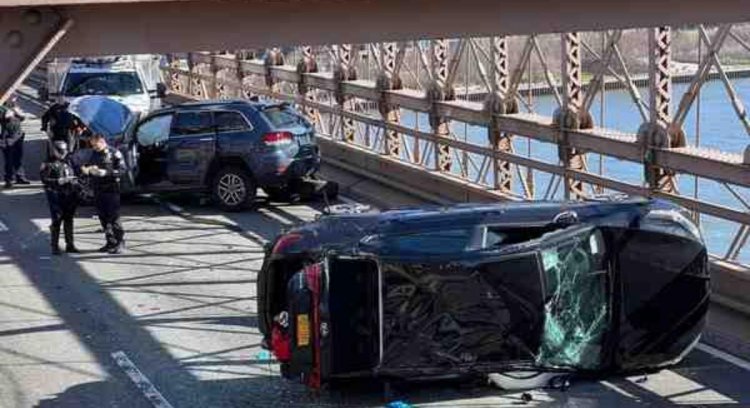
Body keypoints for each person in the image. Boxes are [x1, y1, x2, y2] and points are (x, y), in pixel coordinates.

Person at [81, 133, 126, 254]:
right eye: (93, 146)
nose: (94, 148)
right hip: (98, 189)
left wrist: (106, 172)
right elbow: (88, 165)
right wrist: (87, 170)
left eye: (96, 146)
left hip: (111, 189)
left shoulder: (114, 153)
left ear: (102, 141)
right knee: (103, 218)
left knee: (114, 217)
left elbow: (122, 170)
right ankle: (110, 241)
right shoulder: (95, 153)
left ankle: (120, 242)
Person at [40, 140, 80, 255]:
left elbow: (77, 172)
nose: (63, 153)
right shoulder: (47, 163)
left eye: (64, 151)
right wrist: (58, 181)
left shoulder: (69, 161)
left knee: (69, 219)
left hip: (69, 193)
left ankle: (70, 244)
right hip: (55, 194)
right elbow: (44, 179)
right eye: (60, 151)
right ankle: (55, 246)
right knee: (57, 220)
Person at [0, 97, 30, 189]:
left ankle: (20, 177)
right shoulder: (2, 108)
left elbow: (22, 117)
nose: (14, 99)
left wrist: (17, 112)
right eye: (12, 98)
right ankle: (8, 180)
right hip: (6, 137)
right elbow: (6, 117)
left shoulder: (15, 107)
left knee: (18, 157)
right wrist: (8, 113)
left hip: (17, 135)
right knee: (9, 160)